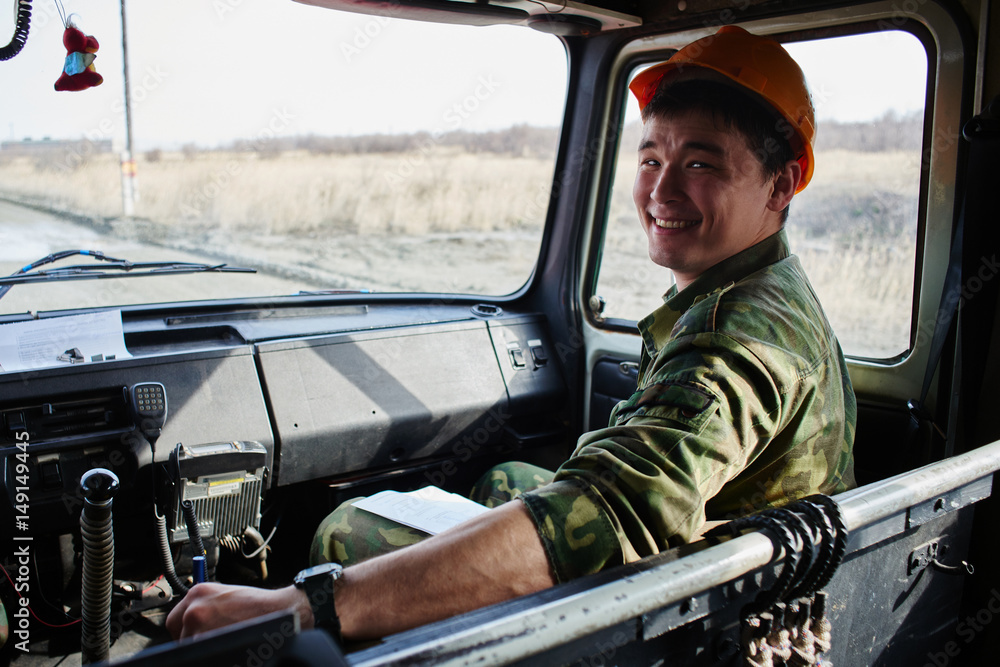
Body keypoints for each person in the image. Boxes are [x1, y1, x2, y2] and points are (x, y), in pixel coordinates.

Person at [166, 24, 855, 643]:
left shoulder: (738, 334)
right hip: (714, 565)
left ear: (781, 183)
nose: (661, 192)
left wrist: (299, 606)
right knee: (505, 478)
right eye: (651, 160)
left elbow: (605, 518)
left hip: (697, 618)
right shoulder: (761, 289)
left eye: (701, 164)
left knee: (348, 529)